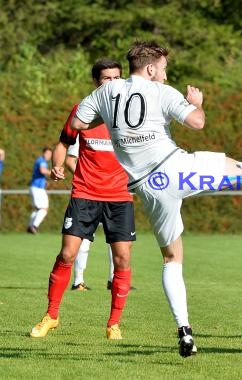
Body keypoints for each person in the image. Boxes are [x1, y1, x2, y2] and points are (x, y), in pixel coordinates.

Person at [69, 41, 242, 357]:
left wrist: (112, 122)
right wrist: (195, 102)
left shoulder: (104, 93)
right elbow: (197, 122)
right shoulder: (162, 92)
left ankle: (185, 332)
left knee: (171, 259)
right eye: (164, 69)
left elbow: (77, 124)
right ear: (151, 68)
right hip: (177, 168)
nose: (166, 76)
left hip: (149, 188)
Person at [30, 58, 135, 341]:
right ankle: (51, 315)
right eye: (105, 78)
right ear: (96, 82)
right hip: (85, 193)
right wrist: (57, 165)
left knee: (122, 259)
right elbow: (63, 143)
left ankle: (114, 323)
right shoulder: (84, 110)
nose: (111, 82)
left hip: (120, 197)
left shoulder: (133, 111)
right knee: (67, 254)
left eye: (116, 77)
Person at [66, 137, 136, 292]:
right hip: (89, 197)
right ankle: (78, 281)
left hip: (116, 198)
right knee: (82, 241)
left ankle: (114, 279)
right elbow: (71, 161)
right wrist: (89, 181)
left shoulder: (121, 128)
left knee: (118, 242)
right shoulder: (84, 128)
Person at [28, 147, 52, 234]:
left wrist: (44, 182)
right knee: (44, 209)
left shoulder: (40, 161)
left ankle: (30, 226)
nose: (49, 156)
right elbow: (42, 170)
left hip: (35, 187)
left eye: (50, 154)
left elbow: (39, 173)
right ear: (43, 153)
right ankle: (34, 226)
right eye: (47, 154)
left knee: (37, 209)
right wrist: (54, 172)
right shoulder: (41, 161)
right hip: (37, 188)